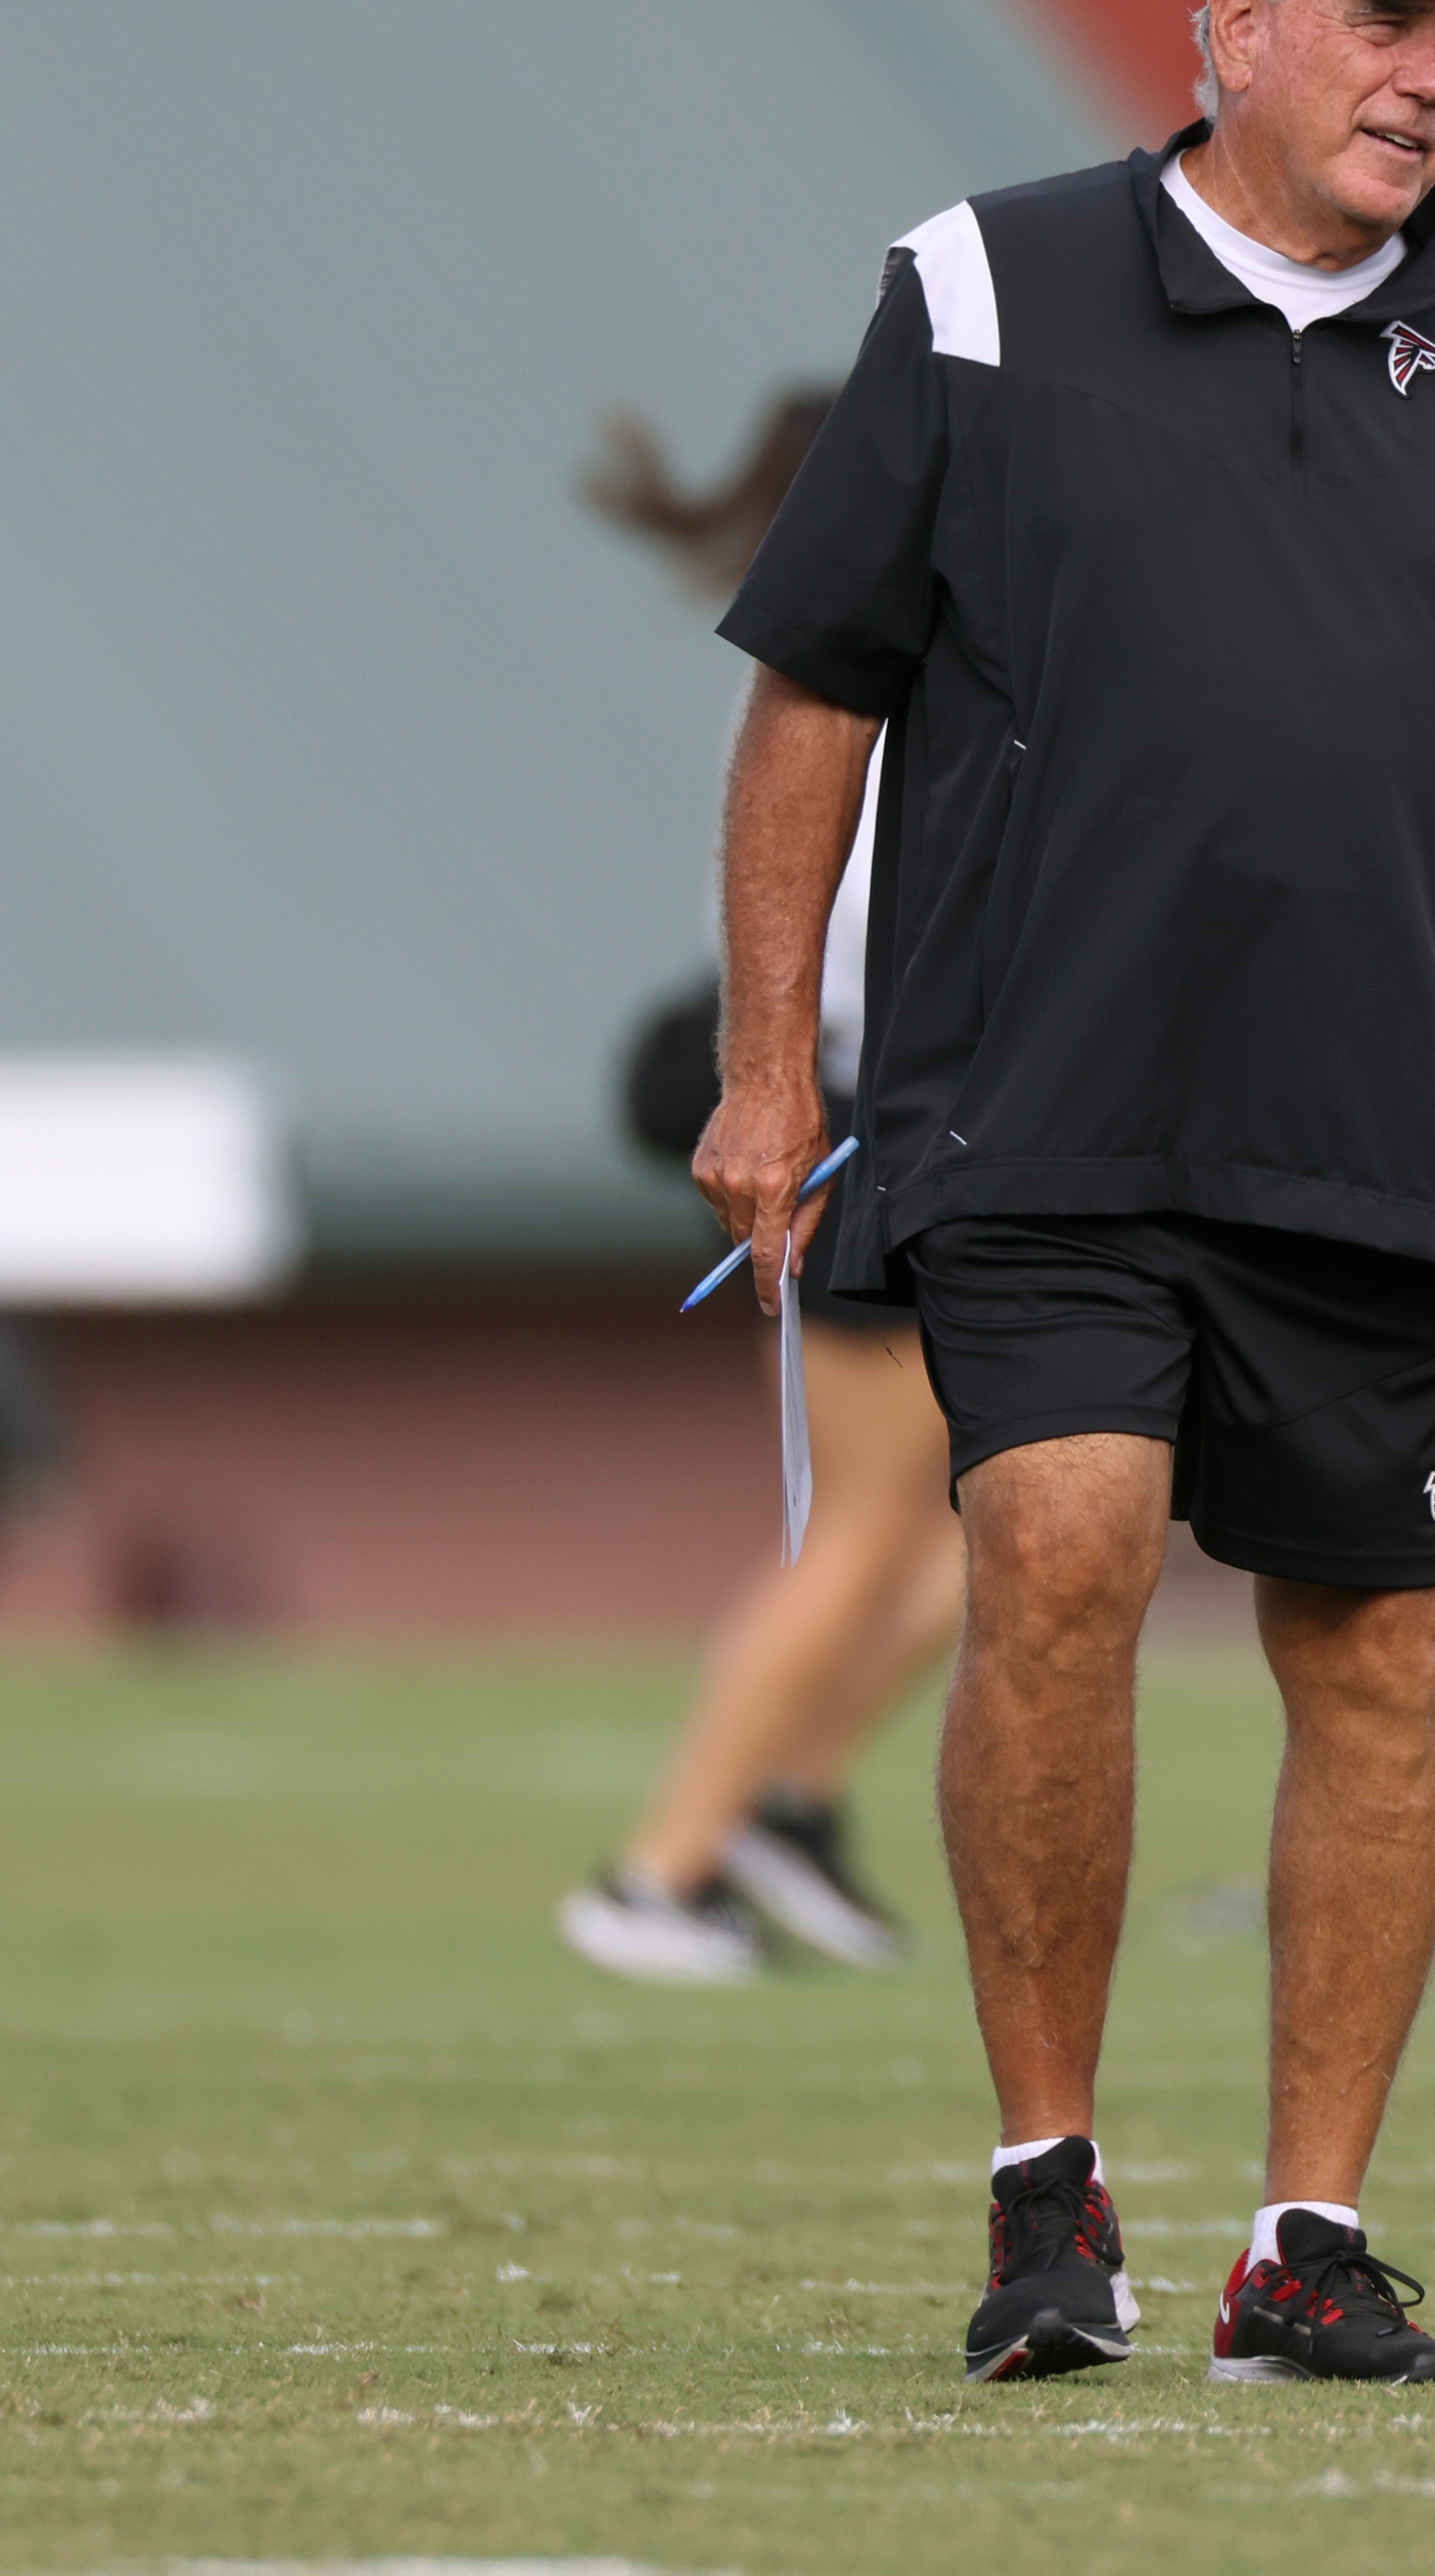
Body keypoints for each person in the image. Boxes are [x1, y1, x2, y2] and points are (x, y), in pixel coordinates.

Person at [697, 0, 1435, 2386]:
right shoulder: (980, 294)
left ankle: (1308, 2237)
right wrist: (767, 1064)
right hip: (1035, 1102)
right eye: (1389, 16)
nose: (1433, 72)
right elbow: (814, 691)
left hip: (1379, 1125)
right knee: (1058, 1538)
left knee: (1374, 1659)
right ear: (1232, 26)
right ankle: (1047, 2186)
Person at [565, 389, 966, 1986]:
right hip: (860, 1138)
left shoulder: (886, 690)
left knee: (988, 1530)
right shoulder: (882, 707)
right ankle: (659, 1870)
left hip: (884, 1132)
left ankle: (781, 1806)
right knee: (863, 1530)